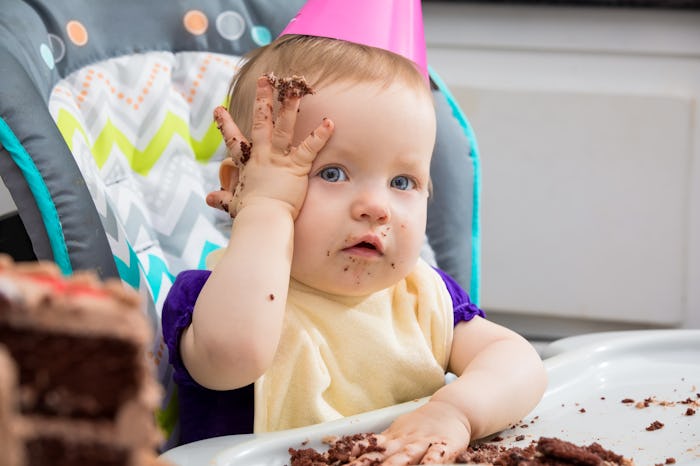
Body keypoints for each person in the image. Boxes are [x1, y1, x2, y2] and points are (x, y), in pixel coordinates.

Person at [162, 25, 546, 466]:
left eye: (402, 182)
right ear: (241, 189)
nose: (376, 207)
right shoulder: (211, 301)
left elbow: (519, 362)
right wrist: (265, 207)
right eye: (331, 173)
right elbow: (233, 356)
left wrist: (454, 412)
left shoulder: (422, 297)